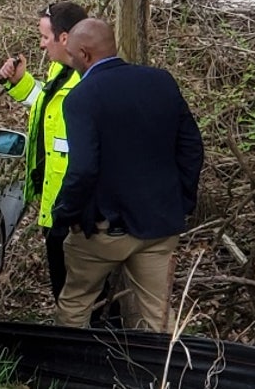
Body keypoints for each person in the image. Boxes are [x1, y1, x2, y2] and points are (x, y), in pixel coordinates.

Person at [51, 19, 204, 331]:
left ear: (85, 53)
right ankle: (159, 377)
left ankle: (69, 373)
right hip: (160, 225)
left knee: (76, 303)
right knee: (156, 316)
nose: (71, 62)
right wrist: (182, 200)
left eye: (71, 56)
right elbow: (192, 148)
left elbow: (83, 170)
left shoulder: (81, 98)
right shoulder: (160, 82)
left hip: (105, 231)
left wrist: (65, 213)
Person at [0, 1, 87, 301]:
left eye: (45, 38)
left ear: (64, 39)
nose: (41, 44)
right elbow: (47, 105)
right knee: (64, 289)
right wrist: (20, 82)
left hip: (75, 209)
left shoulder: (87, 81)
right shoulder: (59, 71)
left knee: (75, 294)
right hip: (56, 201)